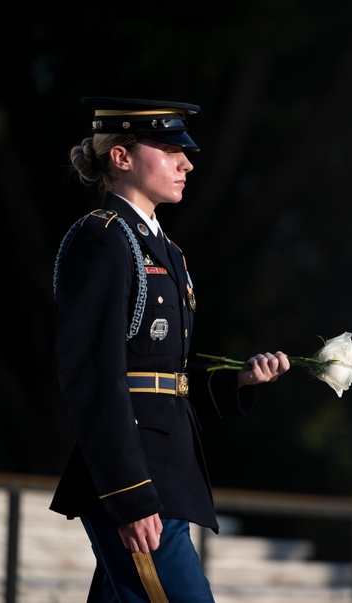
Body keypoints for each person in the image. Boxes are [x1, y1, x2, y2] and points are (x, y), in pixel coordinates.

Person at [49, 96, 290, 603]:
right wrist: (129, 495)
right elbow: (94, 377)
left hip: (167, 476)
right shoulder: (104, 240)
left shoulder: (165, 251)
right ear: (121, 157)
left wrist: (236, 380)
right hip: (140, 485)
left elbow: (160, 374)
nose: (187, 162)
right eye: (169, 147)